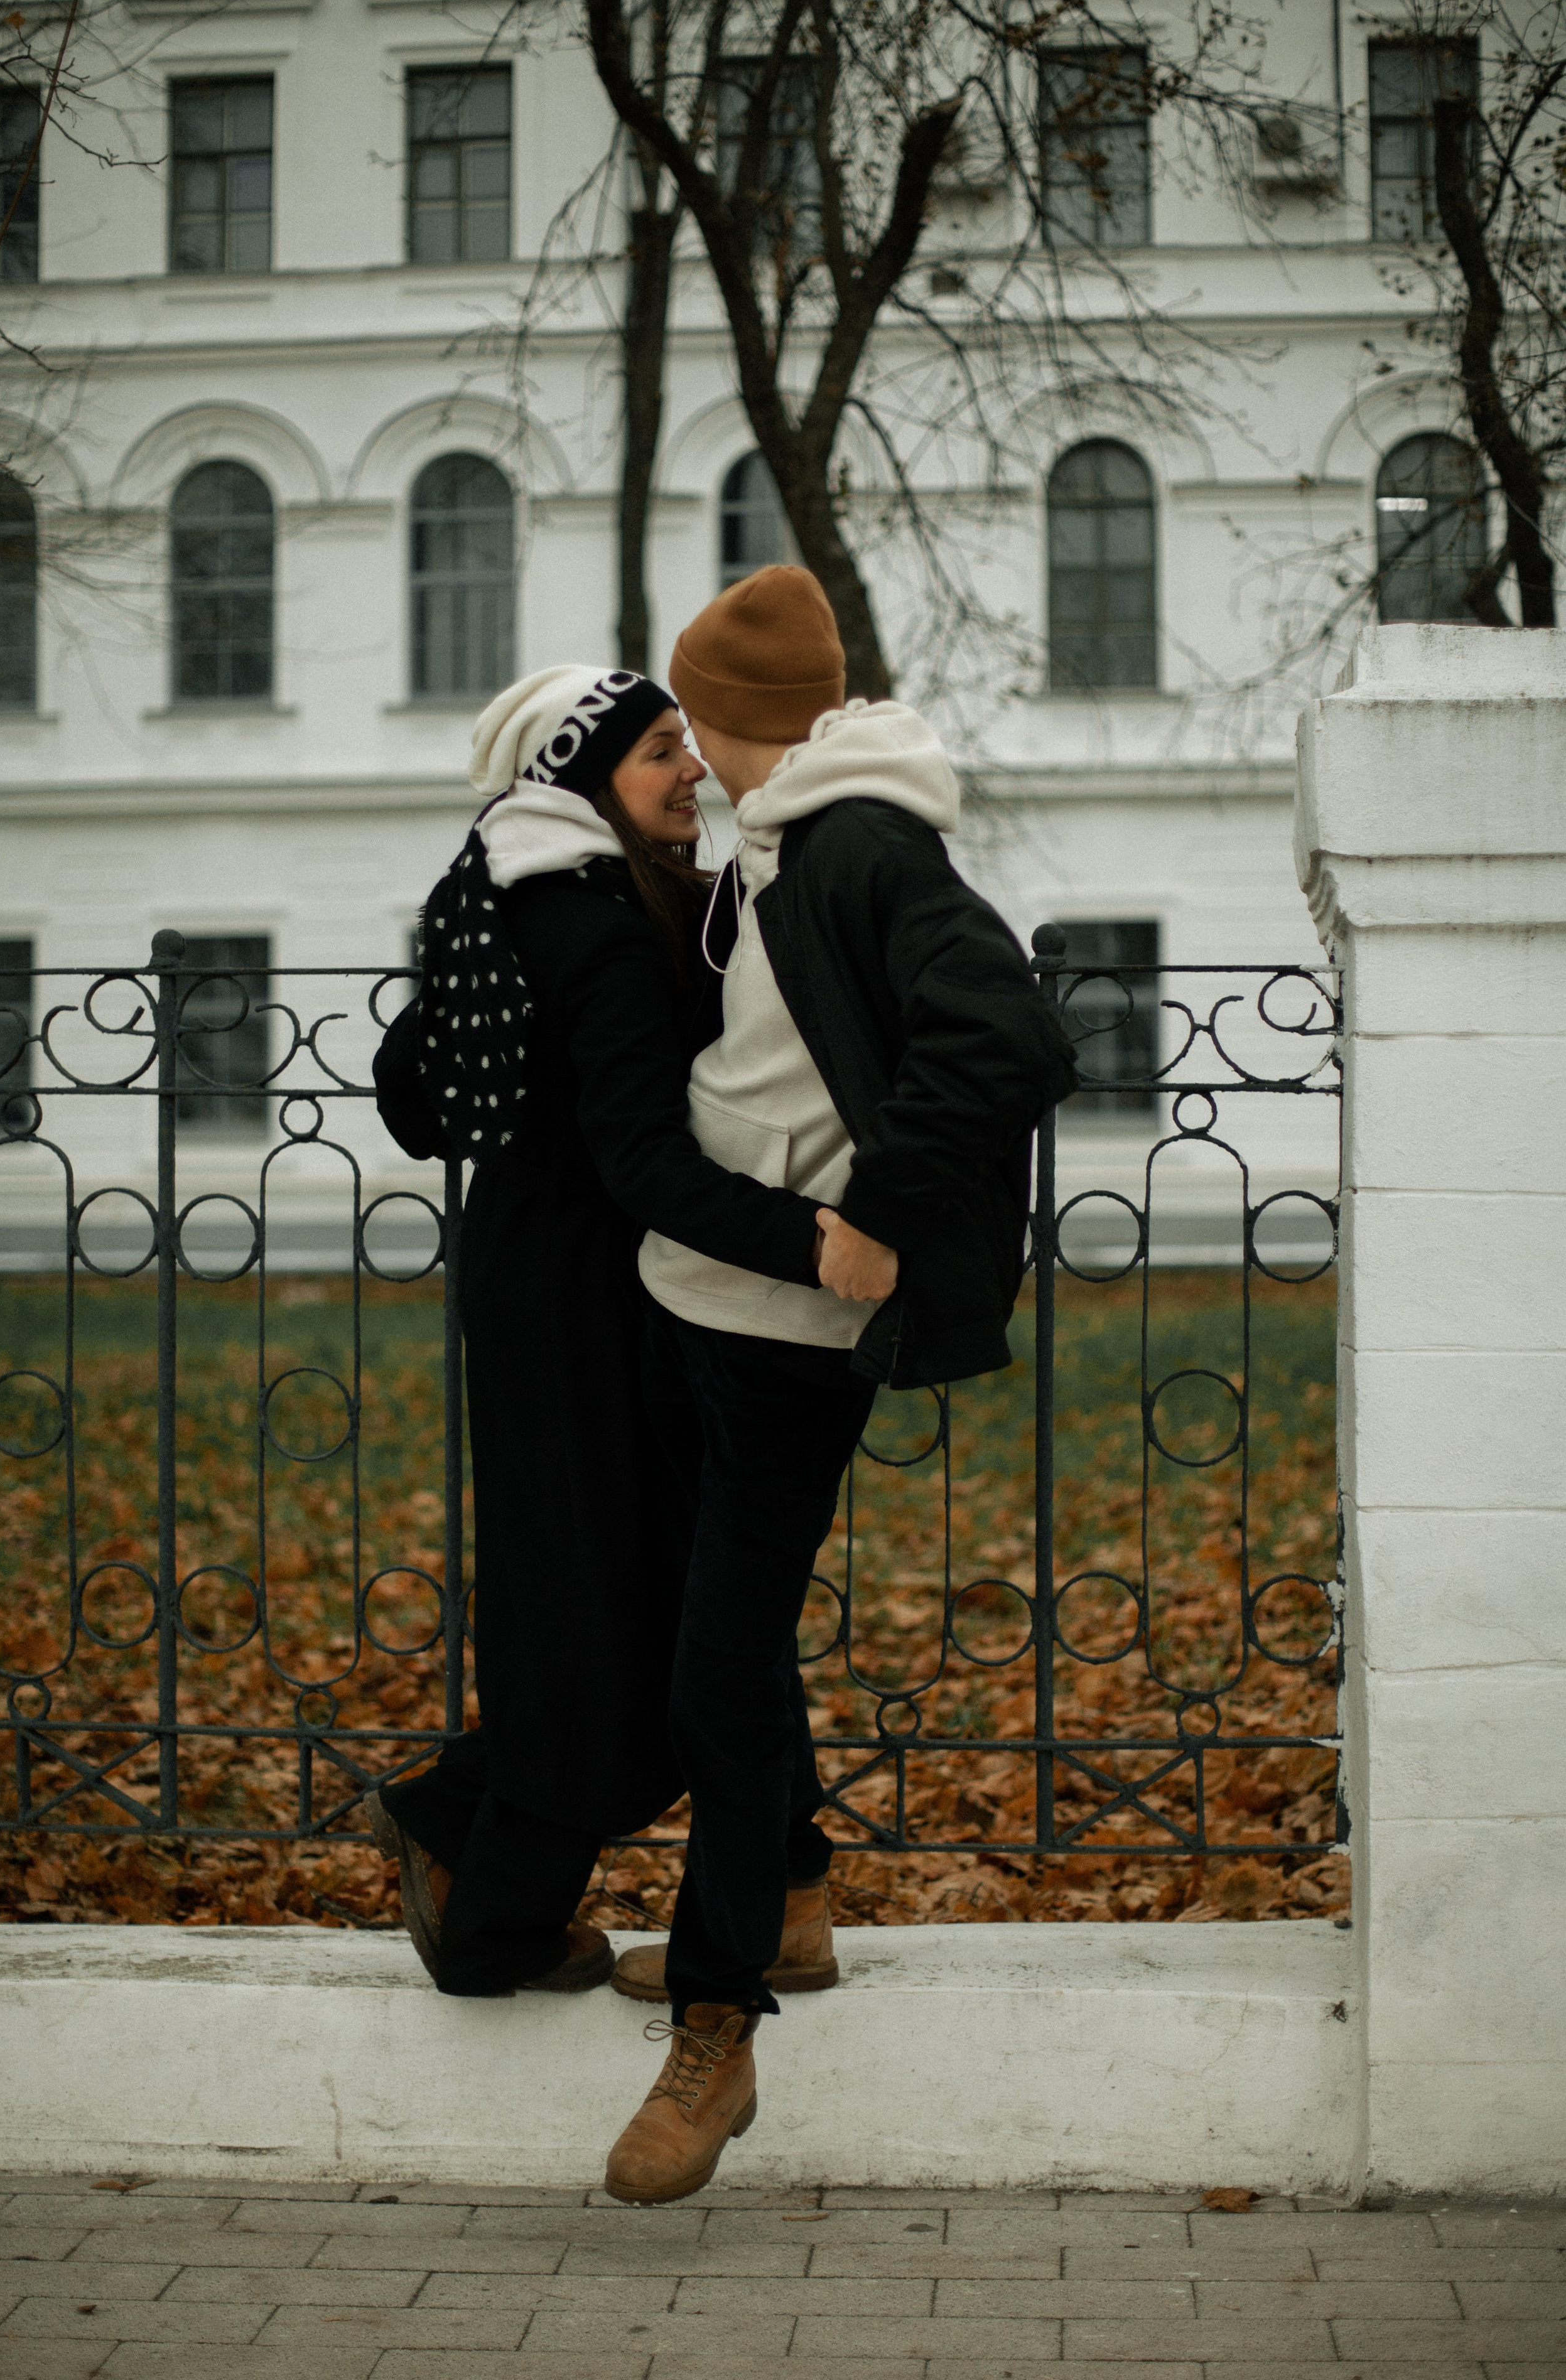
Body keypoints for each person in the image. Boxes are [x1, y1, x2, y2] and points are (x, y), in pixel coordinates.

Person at [601, 568, 1079, 2204]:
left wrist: (877, 1212)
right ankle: (789, 1902)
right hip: (702, 1298)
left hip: (789, 1331)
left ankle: (718, 2023)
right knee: (713, 1642)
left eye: (693, 721)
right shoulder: (782, 830)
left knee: (719, 1673)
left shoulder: (863, 841)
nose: (686, 750)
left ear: (737, 721)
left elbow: (1004, 1036)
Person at [367, 664, 841, 1999]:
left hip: (536, 1288)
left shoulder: (503, 901)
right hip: (606, 1307)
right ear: (585, 779)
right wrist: (813, 1241)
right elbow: (642, 1160)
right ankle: (488, 1881)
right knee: (641, 1614)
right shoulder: (605, 935)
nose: (690, 771)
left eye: (687, 745)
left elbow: (412, 1099)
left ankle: (754, 1889)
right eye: (657, 752)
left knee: (628, 1602)